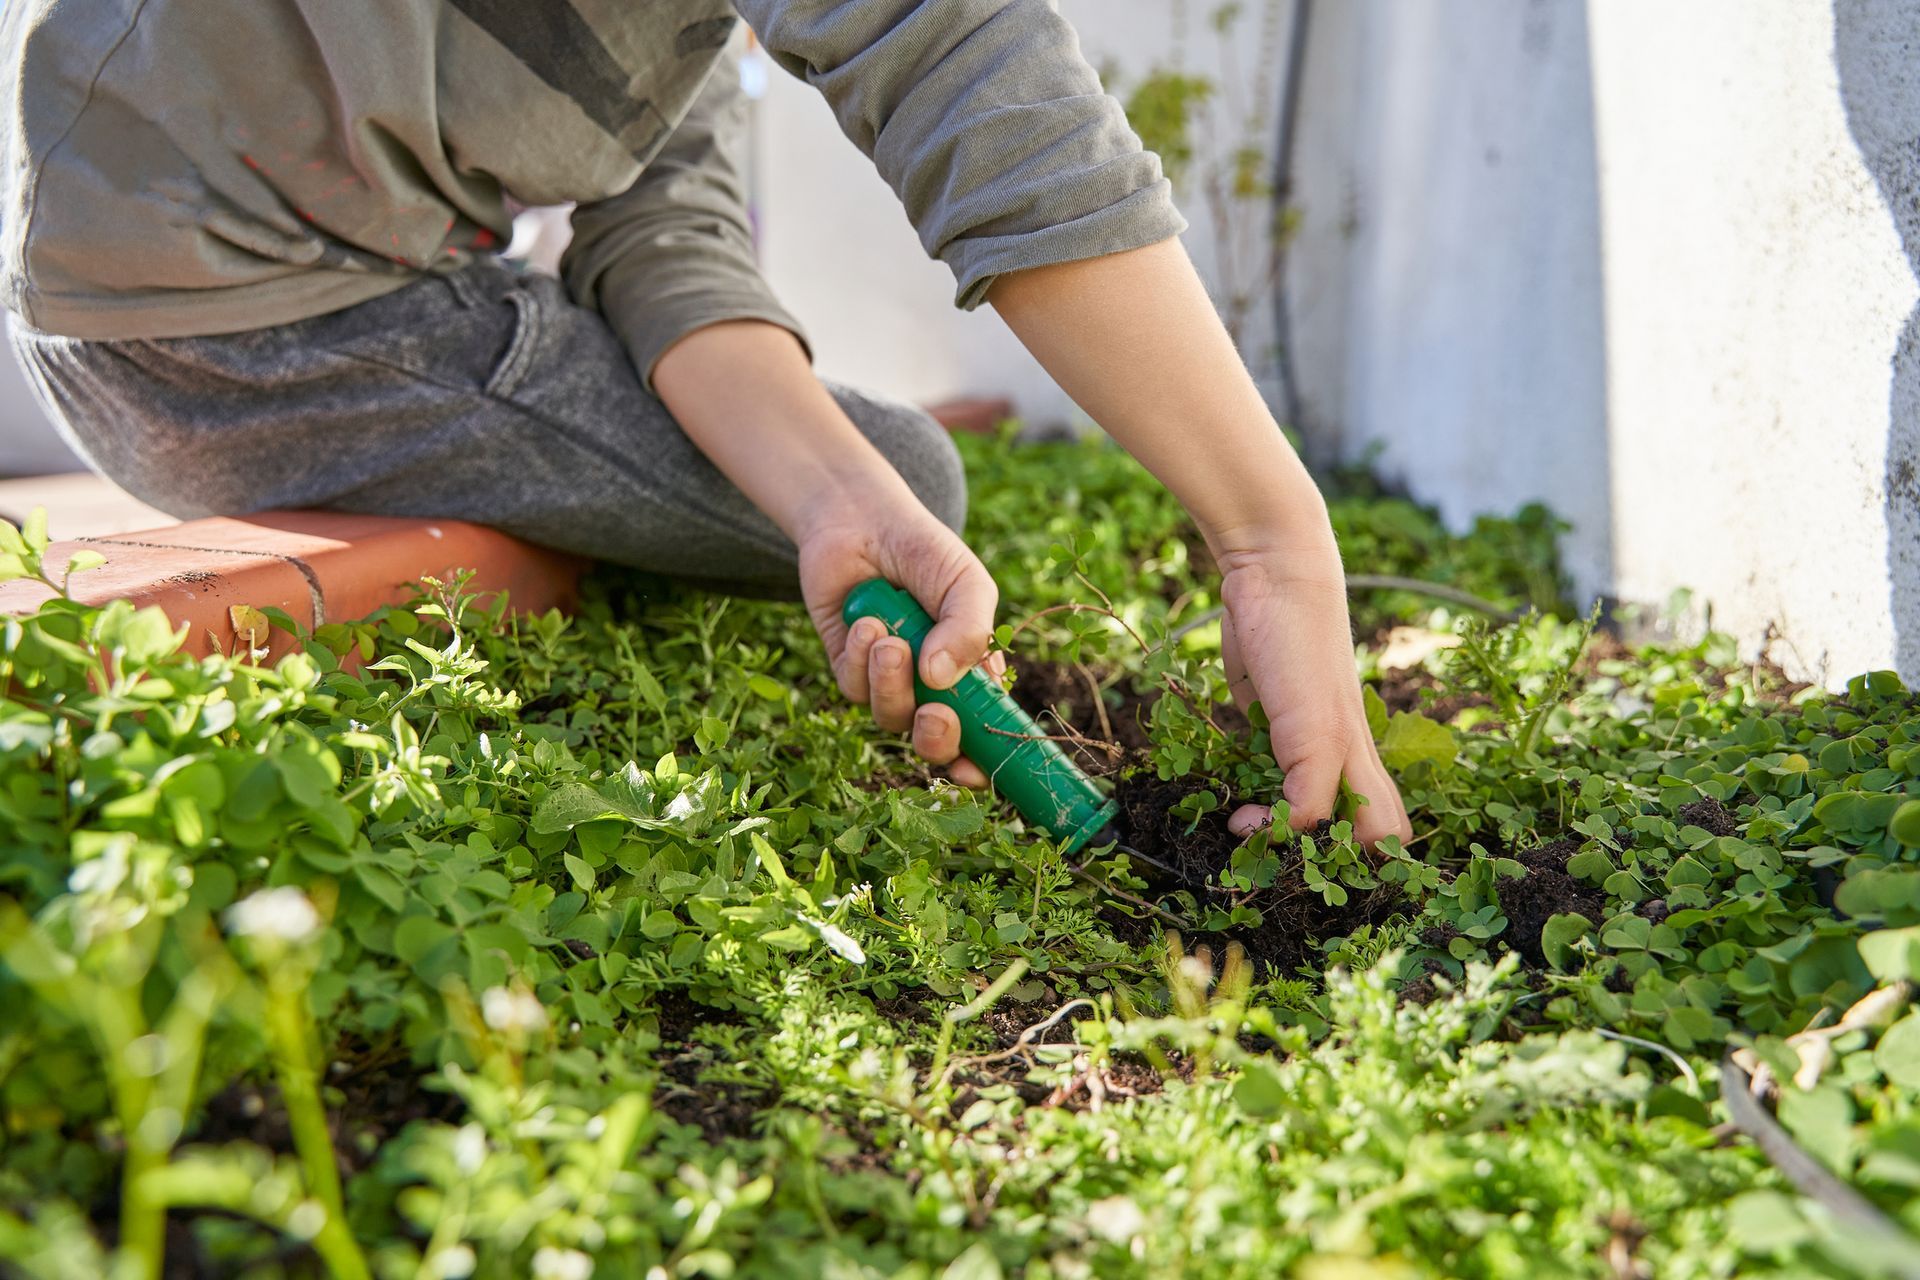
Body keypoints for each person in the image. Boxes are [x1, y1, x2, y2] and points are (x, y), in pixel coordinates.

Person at [0, 0, 1410, 846]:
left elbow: (662, 224)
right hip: (242, 331)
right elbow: (952, 55)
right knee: (909, 462)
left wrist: (832, 504)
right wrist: (1271, 539)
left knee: (885, 478)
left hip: (179, 281)